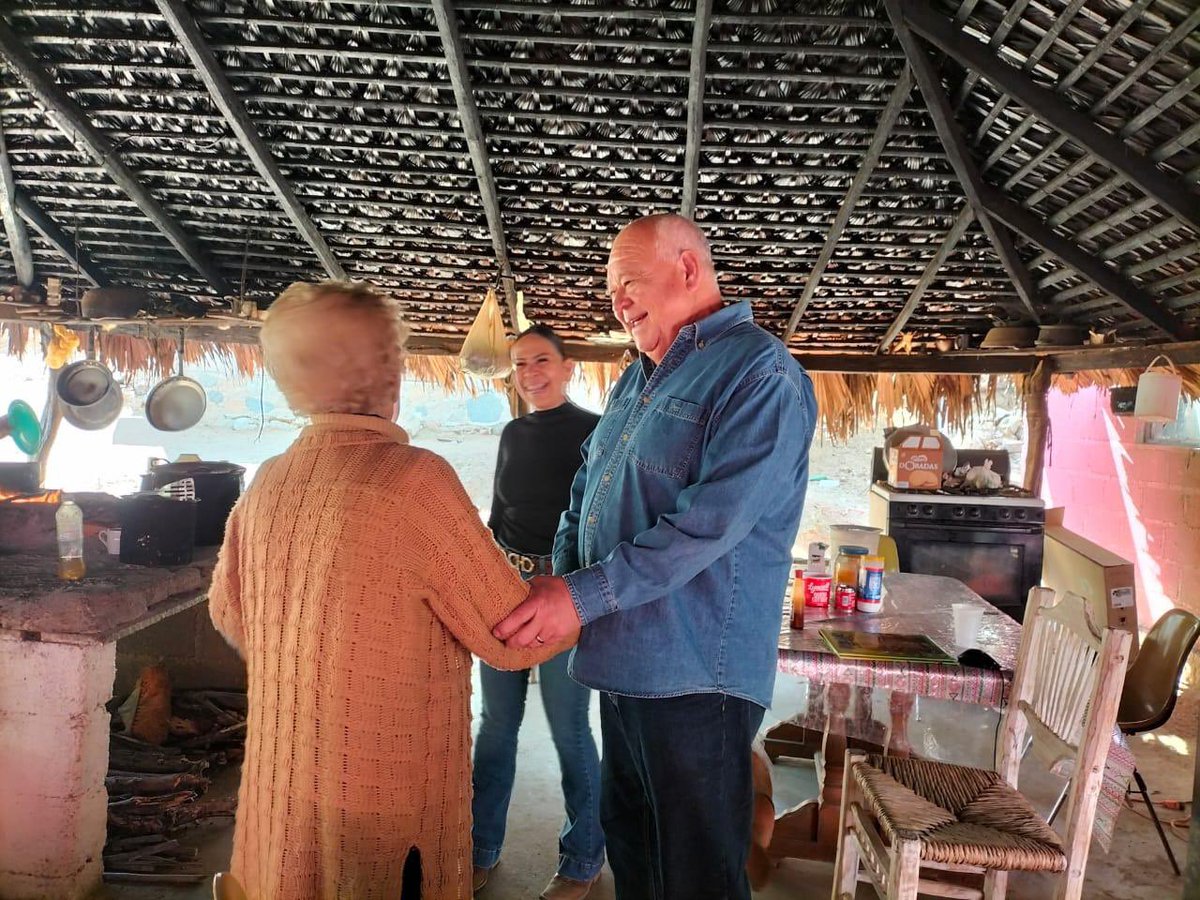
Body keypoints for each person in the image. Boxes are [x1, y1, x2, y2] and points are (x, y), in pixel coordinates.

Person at [208, 281, 575, 900]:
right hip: (385, 795)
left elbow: (230, 613)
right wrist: (592, 599)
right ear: (385, 372)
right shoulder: (414, 481)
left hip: (288, 782)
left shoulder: (268, 483)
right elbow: (510, 634)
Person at [495, 215, 817, 900]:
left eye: (629, 282)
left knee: (695, 876)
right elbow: (588, 481)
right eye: (612, 290)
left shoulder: (760, 374)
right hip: (625, 665)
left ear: (689, 270)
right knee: (636, 853)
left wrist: (579, 597)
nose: (618, 301)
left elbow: (707, 526)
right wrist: (559, 572)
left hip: (697, 678)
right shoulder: (637, 378)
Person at [472, 324, 605, 899]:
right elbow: (501, 511)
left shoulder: (595, 432)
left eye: (542, 361)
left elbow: (603, 517)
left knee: (570, 730)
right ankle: (480, 850)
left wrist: (577, 589)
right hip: (504, 587)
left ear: (567, 366)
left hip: (563, 592)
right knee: (496, 727)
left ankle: (582, 860)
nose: (531, 373)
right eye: (521, 364)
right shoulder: (512, 432)